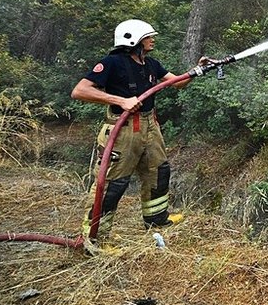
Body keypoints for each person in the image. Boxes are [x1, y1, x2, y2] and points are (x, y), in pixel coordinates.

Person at [71, 19, 201, 246]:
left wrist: (198, 70)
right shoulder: (112, 63)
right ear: (134, 41)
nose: (153, 40)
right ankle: (95, 239)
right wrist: (120, 100)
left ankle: (157, 219)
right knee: (113, 183)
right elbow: (80, 91)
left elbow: (176, 83)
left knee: (158, 171)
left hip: (150, 126)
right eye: (148, 37)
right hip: (123, 129)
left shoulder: (151, 64)